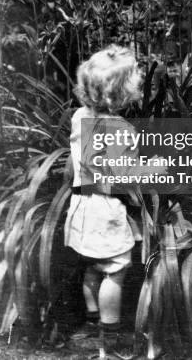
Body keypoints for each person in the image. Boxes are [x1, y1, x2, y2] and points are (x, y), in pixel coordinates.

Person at [64, 45, 142, 360]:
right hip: (107, 209)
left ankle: (91, 321)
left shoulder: (79, 116)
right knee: (115, 269)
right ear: (123, 92)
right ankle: (111, 338)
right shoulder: (122, 131)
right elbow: (124, 179)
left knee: (93, 265)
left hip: (82, 205)